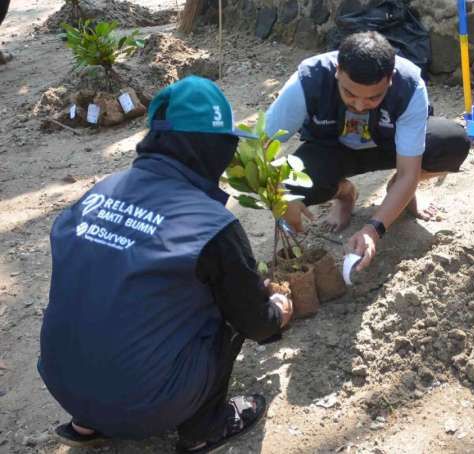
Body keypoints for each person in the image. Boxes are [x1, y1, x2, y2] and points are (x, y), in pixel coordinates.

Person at [38, 76, 293, 453]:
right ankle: (206, 427)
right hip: (147, 405)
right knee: (229, 304)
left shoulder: (96, 195)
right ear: (211, 147)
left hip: (62, 385)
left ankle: (88, 422)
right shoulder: (210, 227)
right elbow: (252, 320)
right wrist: (276, 312)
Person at [265, 31, 470, 271]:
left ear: (390, 79)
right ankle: (344, 194)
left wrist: (373, 229)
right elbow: (260, 146)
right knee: (290, 184)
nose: (360, 105)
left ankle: (401, 191)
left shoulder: (409, 84)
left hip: (389, 147)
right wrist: (281, 196)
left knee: (452, 143)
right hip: (331, 150)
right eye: (350, 94)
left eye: (374, 97)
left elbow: (408, 171)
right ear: (338, 70)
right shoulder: (308, 79)